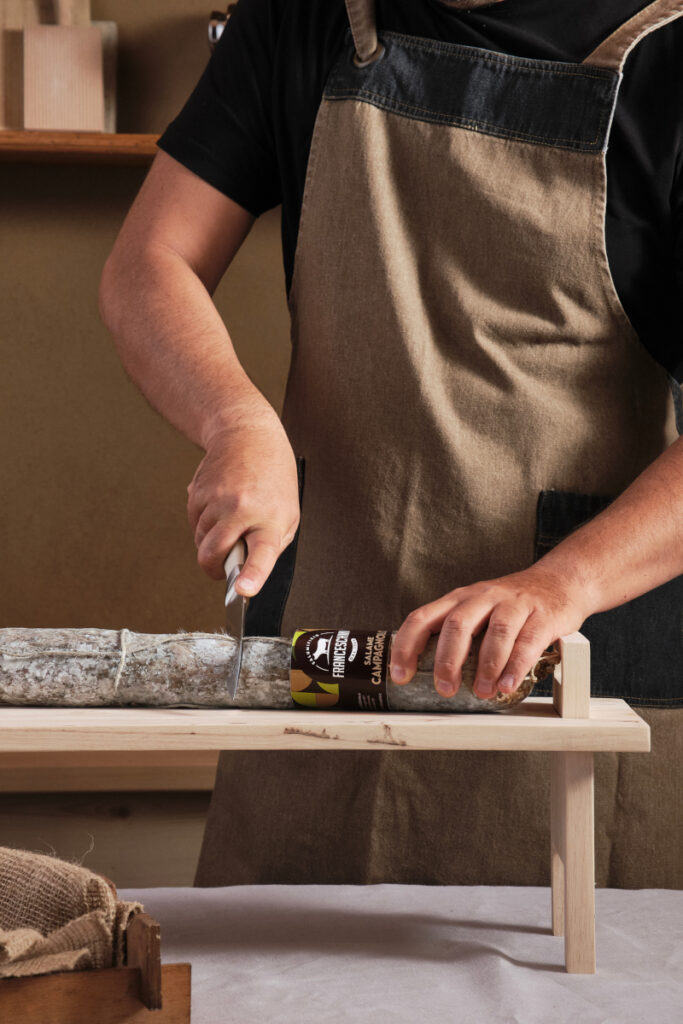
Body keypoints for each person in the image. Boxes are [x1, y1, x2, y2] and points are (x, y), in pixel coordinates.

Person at [99, 0, 683, 889]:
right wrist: (235, 422)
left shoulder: (671, 59)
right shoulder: (301, 22)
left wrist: (564, 582)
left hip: (557, 686)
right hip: (329, 656)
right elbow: (150, 263)